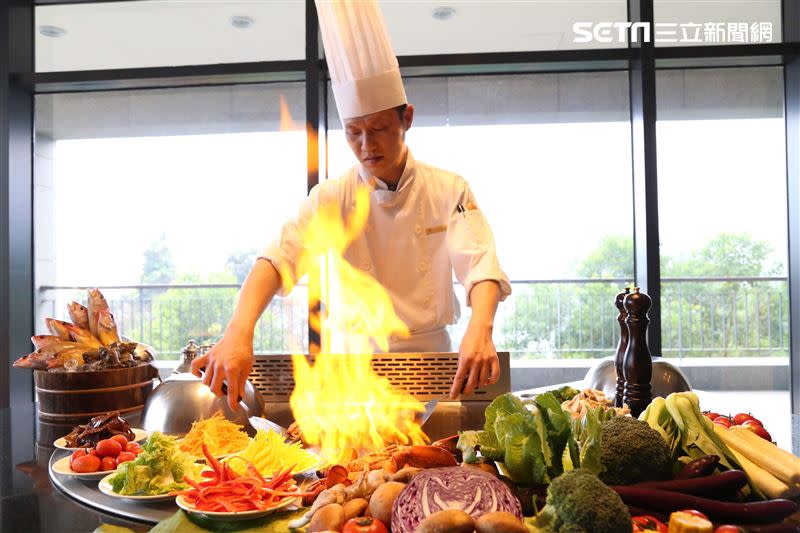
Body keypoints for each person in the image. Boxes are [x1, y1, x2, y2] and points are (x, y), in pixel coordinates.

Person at [192, 0, 511, 410]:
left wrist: (480, 328)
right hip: (352, 372)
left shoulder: (449, 188)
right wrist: (240, 330)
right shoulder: (332, 197)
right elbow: (277, 258)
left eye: (378, 128)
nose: (366, 145)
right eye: (353, 132)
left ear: (406, 118)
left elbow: (480, 264)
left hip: (432, 366)